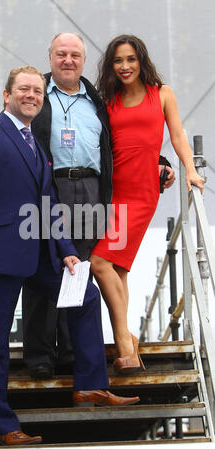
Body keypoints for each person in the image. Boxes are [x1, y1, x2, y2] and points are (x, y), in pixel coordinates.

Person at [0, 65, 140, 447]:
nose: (31, 95)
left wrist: (66, 251)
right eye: (24, 90)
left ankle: (90, 386)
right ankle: (2, 424)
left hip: (37, 252)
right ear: (7, 95)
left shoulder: (37, 144)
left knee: (85, 296)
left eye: (36, 91)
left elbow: (49, 204)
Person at [22, 32, 176, 380]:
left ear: (83, 60)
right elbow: (13, 120)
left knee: (81, 268)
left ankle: (73, 352)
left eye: (75, 55)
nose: (68, 60)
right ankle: (41, 356)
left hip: (91, 188)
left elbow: (124, 140)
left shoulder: (96, 98)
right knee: (41, 265)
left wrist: (159, 162)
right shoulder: (35, 91)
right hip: (47, 185)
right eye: (61, 54)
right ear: (50, 57)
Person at [89, 35, 205, 375]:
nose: (124, 66)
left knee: (99, 262)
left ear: (141, 60)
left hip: (141, 192)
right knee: (117, 268)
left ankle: (124, 344)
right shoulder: (106, 100)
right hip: (112, 192)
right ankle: (129, 340)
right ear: (111, 66)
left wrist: (189, 171)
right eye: (117, 61)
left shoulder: (163, 94)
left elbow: (178, 135)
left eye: (130, 59)